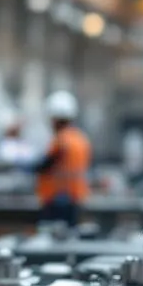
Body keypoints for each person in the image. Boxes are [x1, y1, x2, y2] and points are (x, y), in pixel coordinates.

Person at [36, 91, 91, 226]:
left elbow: (44, 165)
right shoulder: (80, 138)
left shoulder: (61, 141)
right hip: (76, 197)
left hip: (57, 199)